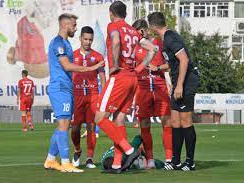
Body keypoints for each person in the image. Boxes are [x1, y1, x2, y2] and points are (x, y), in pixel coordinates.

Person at [94, 1, 158, 174]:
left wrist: (114, 64)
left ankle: (129, 150)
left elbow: (115, 41)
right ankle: (116, 164)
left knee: (99, 117)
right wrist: (139, 68)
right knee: (119, 120)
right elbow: (153, 49)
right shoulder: (132, 30)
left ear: (111, 13)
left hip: (120, 76)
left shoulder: (113, 25)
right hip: (132, 78)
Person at [43, 13, 104, 173]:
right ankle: (65, 162)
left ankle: (50, 159)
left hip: (67, 88)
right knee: (65, 125)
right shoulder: (58, 43)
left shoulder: (66, 43)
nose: (75, 28)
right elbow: (67, 66)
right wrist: (90, 68)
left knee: (64, 125)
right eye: (74, 25)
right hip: (60, 88)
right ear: (65, 25)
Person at [148, 12, 199, 171]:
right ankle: (176, 161)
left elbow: (184, 60)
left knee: (185, 122)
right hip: (178, 81)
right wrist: (157, 68)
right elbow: (173, 64)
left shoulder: (171, 37)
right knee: (175, 122)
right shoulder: (165, 40)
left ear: (152, 26)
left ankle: (190, 162)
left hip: (186, 82)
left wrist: (179, 86)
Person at [132, 19, 173, 168]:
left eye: (139, 32)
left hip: (159, 88)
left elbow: (170, 65)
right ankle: (149, 160)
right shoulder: (134, 49)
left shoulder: (159, 44)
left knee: (167, 122)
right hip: (142, 90)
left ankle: (169, 159)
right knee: (144, 124)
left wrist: (157, 67)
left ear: (145, 30)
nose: (138, 36)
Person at [71, 26, 106, 169]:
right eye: (85, 39)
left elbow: (103, 77)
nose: (88, 42)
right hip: (77, 95)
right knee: (75, 128)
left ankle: (90, 158)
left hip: (93, 95)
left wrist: (103, 95)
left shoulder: (98, 56)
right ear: (80, 38)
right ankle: (77, 150)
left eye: (90, 39)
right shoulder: (72, 55)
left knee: (92, 126)